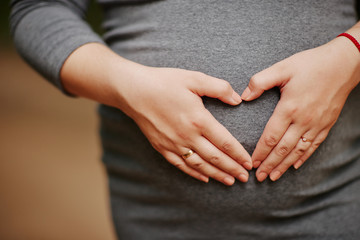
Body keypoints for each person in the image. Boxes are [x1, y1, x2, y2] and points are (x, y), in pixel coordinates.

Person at [10, 0, 360, 239]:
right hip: (155, 214)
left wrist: (350, 55)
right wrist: (127, 86)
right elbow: (37, 9)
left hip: (335, 200)